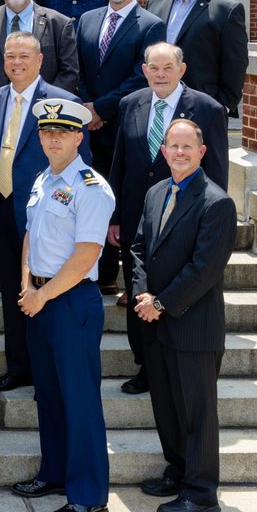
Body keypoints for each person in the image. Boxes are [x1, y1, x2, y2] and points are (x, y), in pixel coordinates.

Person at [12, 98, 114, 512]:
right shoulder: (43, 179)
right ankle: (54, 473)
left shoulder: (92, 186)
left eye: (63, 132)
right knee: (49, 396)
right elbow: (30, 238)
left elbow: (86, 254)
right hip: (41, 299)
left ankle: (89, 495)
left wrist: (43, 293)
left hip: (71, 301)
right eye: (46, 131)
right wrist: (26, 285)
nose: (53, 138)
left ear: (79, 136)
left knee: (80, 400)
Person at [131, 118, 237, 512]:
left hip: (193, 326)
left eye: (187, 147)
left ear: (202, 152)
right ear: (163, 150)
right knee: (168, 408)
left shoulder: (216, 202)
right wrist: (143, 293)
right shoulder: (157, 192)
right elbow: (140, 247)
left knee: (196, 414)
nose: (179, 153)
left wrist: (160, 304)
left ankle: (201, 492)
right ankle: (179, 471)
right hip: (156, 322)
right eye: (172, 146)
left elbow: (203, 269)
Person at [108, 42, 228, 395]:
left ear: (181, 70)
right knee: (138, 291)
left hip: (185, 222)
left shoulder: (206, 108)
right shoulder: (130, 104)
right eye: (153, 68)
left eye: (167, 68)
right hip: (137, 219)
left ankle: (174, 363)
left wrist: (210, 219)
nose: (160, 74)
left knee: (174, 290)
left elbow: (217, 170)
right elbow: (120, 165)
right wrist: (114, 216)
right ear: (144, 71)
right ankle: (145, 366)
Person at [0, 32, 88, 395]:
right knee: (14, 289)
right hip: (1, 209)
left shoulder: (64, 102)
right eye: (10, 56)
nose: (16, 63)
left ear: (40, 60)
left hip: (48, 216)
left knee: (48, 290)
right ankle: (19, 367)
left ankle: (48, 365)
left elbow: (79, 166)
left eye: (24, 56)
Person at [75, 0, 166, 297]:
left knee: (125, 201)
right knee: (91, 198)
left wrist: (100, 107)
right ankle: (99, 272)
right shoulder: (86, 20)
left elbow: (140, 78)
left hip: (126, 127)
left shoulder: (151, 24)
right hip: (88, 131)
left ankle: (132, 279)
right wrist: (87, 107)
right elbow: (79, 69)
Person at [145, 0, 249, 116]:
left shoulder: (226, 10)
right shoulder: (155, 3)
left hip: (201, 107)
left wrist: (222, 106)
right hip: (156, 103)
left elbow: (235, 65)